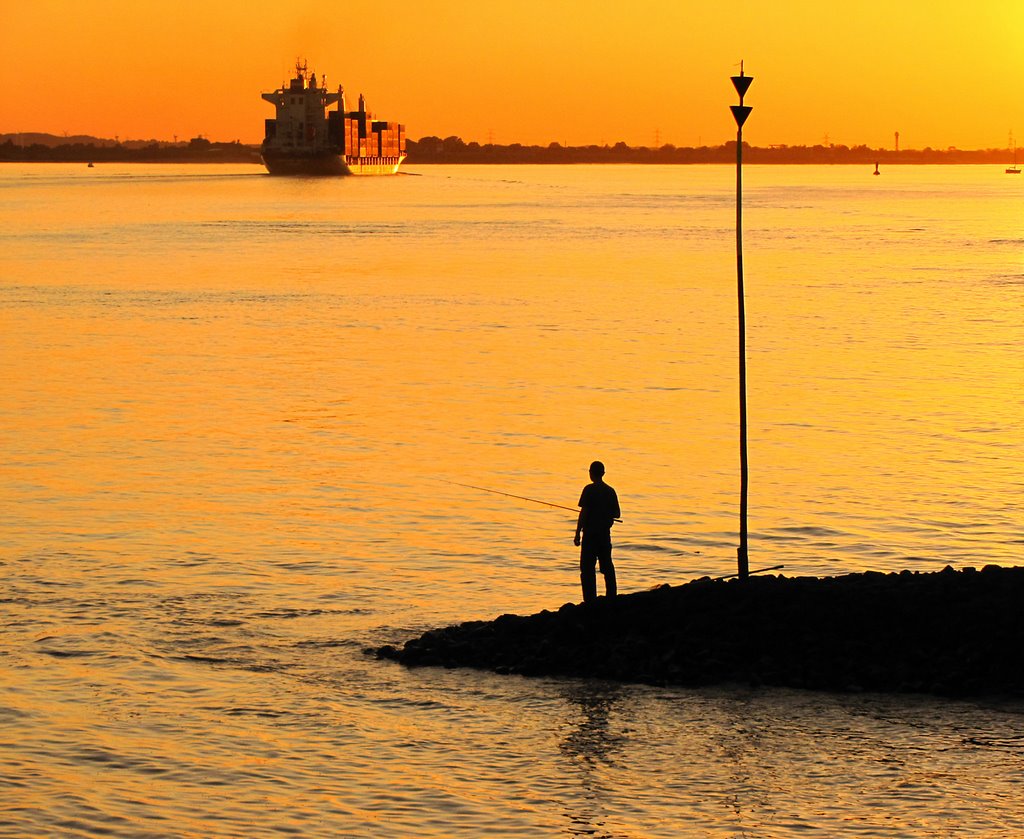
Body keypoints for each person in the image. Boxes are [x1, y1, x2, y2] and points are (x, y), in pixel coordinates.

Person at [574, 461, 621, 603]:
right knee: (607, 565)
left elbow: (584, 513)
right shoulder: (610, 491)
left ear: (591, 473)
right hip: (604, 536)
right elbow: (617, 514)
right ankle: (611, 597)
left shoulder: (588, 489)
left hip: (590, 536)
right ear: (603, 473)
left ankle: (590, 600)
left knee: (587, 568)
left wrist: (577, 533)